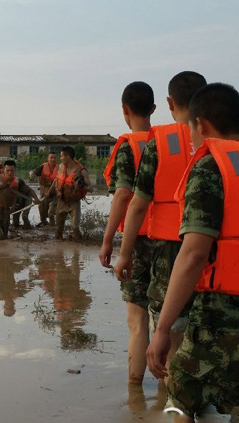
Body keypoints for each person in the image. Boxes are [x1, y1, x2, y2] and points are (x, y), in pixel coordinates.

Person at [146, 83, 239, 423]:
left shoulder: (211, 166)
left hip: (217, 320)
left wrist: (163, 328)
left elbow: (194, 253)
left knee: (179, 408)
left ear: (200, 124)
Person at [114, 71, 207, 375]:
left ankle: (165, 410)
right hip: (216, 248)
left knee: (169, 333)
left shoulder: (160, 143)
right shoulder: (223, 144)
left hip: (168, 248)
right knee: (204, 329)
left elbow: (136, 204)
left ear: (168, 103)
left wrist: (123, 252)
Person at [100, 81, 156, 385]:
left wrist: (109, 241)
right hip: (174, 240)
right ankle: (169, 397)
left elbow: (123, 195)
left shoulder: (129, 145)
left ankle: (135, 392)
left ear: (124, 110)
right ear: (155, 109)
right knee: (168, 323)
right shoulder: (171, 143)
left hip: (138, 239)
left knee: (137, 323)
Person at [0, 160, 39, 239]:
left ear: (15, 170)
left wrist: (36, 199)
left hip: (6, 212)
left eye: (12, 170)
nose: (10, 173)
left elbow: (30, 190)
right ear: (3, 170)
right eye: (7, 170)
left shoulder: (18, 181)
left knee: (4, 236)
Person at [50, 146, 92, 240]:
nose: (60, 158)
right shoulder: (60, 167)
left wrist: (80, 186)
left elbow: (91, 188)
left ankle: (78, 250)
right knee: (58, 229)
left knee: (75, 228)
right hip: (62, 201)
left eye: (61, 156)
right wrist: (48, 194)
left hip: (74, 202)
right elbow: (56, 181)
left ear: (68, 157)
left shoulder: (81, 170)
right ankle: (58, 252)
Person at [30, 151, 58, 226]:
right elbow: (33, 171)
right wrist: (31, 175)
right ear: (48, 159)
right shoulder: (42, 167)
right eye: (51, 157)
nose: (53, 159)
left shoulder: (60, 169)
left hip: (55, 195)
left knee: (51, 213)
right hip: (44, 194)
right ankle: (44, 223)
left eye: (54, 158)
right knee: (41, 208)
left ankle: (53, 227)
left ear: (57, 159)